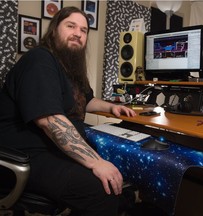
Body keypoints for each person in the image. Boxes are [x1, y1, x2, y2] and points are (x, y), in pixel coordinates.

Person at [0, 6, 136, 216]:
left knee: (120, 167)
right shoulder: (40, 60)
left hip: (50, 146)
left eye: (83, 30)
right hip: (27, 153)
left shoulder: (70, 68)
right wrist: (96, 162)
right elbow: (50, 121)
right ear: (54, 30)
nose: (78, 34)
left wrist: (111, 107)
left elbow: (86, 100)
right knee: (102, 190)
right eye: (71, 26)